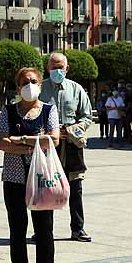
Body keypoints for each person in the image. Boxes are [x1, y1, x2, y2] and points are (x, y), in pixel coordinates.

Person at [0, 67, 60, 263]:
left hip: (41, 178)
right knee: (17, 227)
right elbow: (2, 143)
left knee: (44, 228)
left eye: (33, 81)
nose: (29, 86)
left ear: (40, 85)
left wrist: (21, 139)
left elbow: (53, 140)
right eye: (24, 82)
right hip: (14, 178)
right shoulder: (9, 111)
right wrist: (34, 143)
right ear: (17, 87)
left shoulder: (49, 110)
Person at [42, 52, 93, 242]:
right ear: (47, 68)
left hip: (71, 144)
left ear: (67, 68)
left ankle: (78, 228)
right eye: (53, 67)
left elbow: (87, 117)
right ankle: (44, 230)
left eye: (60, 67)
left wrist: (72, 129)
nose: (57, 70)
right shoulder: (41, 89)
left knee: (75, 187)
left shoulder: (77, 89)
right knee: (46, 186)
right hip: (48, 145)